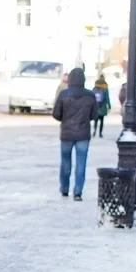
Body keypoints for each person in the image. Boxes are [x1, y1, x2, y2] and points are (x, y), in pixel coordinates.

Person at [53, 67, 99, 202]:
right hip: (83, 134)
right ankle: (78, 191)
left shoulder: (63, 94)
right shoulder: (90, 95)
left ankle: (65, 188)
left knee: (65, 162)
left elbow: (56, 114)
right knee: (81, 163)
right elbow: (94, 115)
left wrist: (66, 119)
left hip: (67, 133)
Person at [92, 73, 111, 138]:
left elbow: (92, 96)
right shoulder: (105, 86)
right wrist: (109, 105)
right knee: (102, 120)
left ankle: (94, 131)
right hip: (103, 106)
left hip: (96, 106)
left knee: (96, 120)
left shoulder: (95, 86)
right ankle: (100, 133)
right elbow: (107, 97)